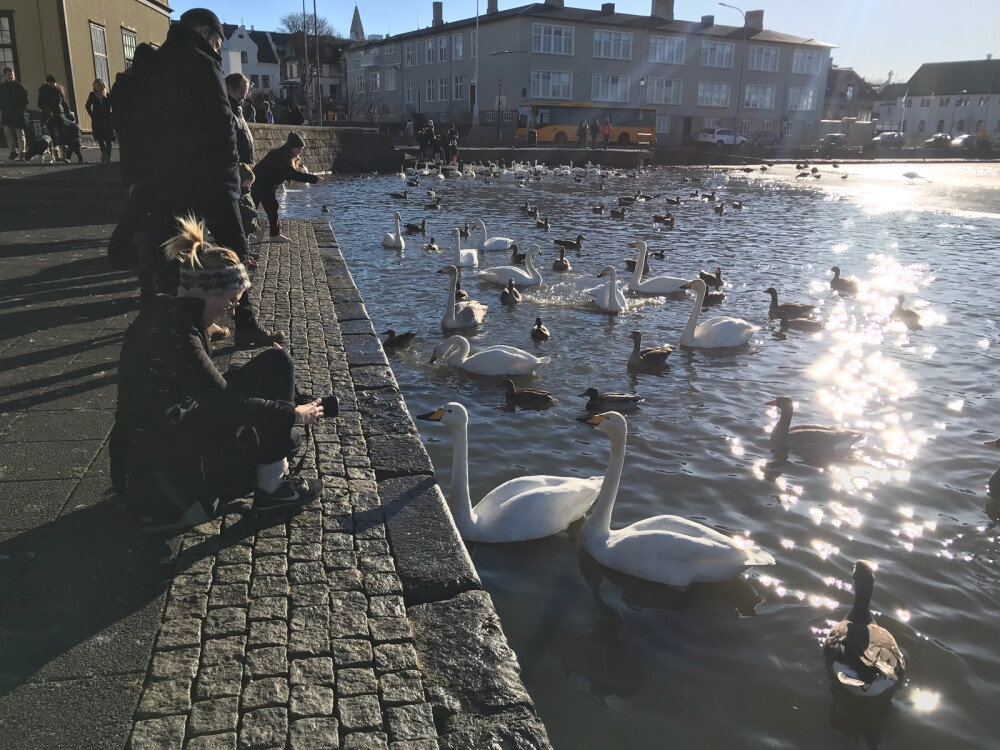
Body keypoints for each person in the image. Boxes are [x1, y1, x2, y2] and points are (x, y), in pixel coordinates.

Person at [110, 216, 327, 532]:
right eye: (230, 299)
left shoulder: (168, 316)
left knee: (277, 368)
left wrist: (287, 406)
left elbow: (205, 389)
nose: (233, 309)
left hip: (157, 443)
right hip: (162, 464)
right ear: (205, 292)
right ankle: (272, 489)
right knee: (285, 433)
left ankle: (268, 478)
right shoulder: (178, 337)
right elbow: (222, 402)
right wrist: (291, 412)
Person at [133, 7, 281, 347]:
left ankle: (190, 325)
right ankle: (245, 325)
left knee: (181, 253)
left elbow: (143, 126)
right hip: (211, 178)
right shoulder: (203, 63)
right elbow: (221, 123)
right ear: (203, 32)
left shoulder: (154, 65)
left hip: (170, 179)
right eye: (216, 40)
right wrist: (232, 178)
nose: (218, 47)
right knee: (235, 250)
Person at [251, 130, 320, 243]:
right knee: (271, 207)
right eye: (299, 149)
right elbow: (293, 175)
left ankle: (245, 232)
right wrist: (314, 179)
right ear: (292, 147)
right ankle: (274, 235)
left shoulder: (281, 154)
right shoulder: (281, 158)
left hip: (259, 184)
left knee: (253, 208)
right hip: (262, 185)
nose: (300, 152)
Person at [225, 73, 254, 164]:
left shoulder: (238, 109)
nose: (244, 97)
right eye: (242, 93)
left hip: (243, 166)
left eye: (245, 94)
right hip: (237, 167)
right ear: (229, 89)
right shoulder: (226, 110)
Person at [0, 67, 28, 160]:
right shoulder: (2, 87)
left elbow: (25, 100)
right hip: (7, 113)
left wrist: (21, 109)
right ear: (5, 75)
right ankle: (12, 151)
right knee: (8, 132)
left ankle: (22, 152)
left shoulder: (19, 86)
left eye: (12, 74)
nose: (11, 76)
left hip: (18, 113)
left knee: (20, 134)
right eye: (9, 74)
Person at [86, 79, 114, 162]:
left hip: (107, 119)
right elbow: (87, 106)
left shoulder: (108, 95)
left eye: (98, 86)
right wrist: (92, 115)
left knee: (108, 138)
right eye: (95, 86)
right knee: (100, 138)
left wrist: (112, 114)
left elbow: (113, 105)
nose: (97, 87)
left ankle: (107, 156)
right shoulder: (92, 95)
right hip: (97, 120)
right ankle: (104, 153)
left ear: (102, 86)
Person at [238, 162, 261, 237]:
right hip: (244, 224)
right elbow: (240, 207)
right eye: (248, 184)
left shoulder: (246, 192)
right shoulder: (240, 194)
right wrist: (252, 212)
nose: (250, 186)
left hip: (248, 223)